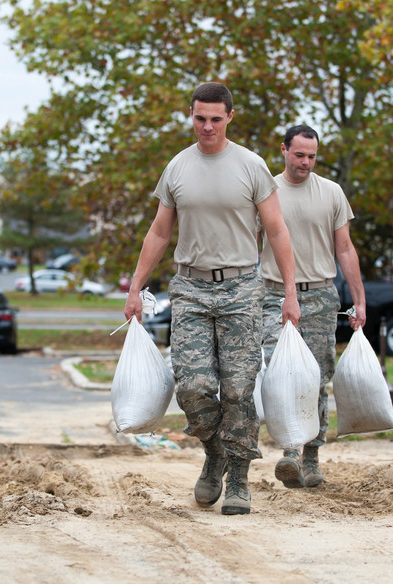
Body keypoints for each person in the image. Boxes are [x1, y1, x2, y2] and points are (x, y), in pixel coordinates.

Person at [124, 82, 300, 516]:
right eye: (200, 118)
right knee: (193, 386)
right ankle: (215, 449)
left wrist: (290, 294)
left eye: (215, 119)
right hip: (190, 290)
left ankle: (238, 478)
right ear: (191, 115)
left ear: (229, 118)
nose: (207, 126)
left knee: (239, 388)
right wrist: (134, 288)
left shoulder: (251, 166)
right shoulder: (178, 167)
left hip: (242, 288)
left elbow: (277, 231)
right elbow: (160, 232)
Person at [259, 124, 366, 488]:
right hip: (273, 295)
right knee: (282, 370)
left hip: (320, 294)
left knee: (317, 377)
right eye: (299, 155)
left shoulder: (332, 193)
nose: (305, 162)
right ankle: (289, 449)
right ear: (284, 150)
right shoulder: (267, 192)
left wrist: (359, 301)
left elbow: (345, 249)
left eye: (312, 156)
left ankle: (311, 456)